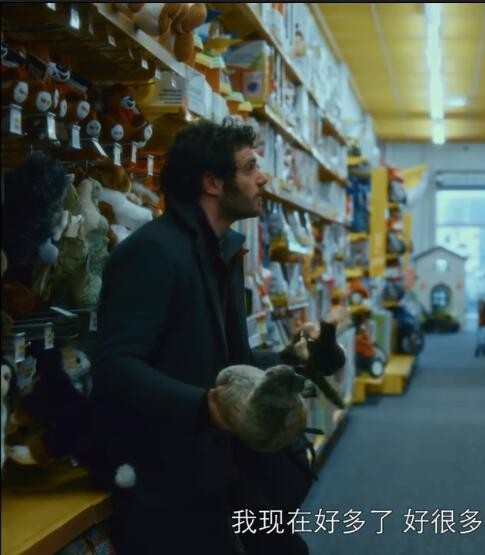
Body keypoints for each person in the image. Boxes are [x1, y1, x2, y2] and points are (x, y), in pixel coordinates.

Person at [90, 121, 315, 555]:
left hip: (225, 467)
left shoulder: (222, 250)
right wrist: (202, 405)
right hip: (171, 482)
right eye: (249, 167)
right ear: (212, 183)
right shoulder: (152, 252)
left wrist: (291, 357)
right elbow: (115, 368)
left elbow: (226, 358)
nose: (263, 177)